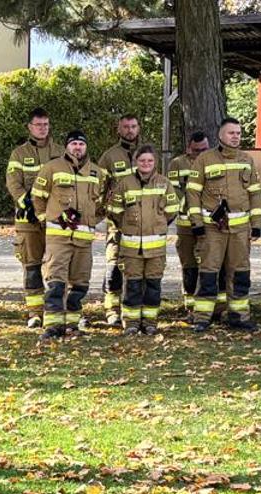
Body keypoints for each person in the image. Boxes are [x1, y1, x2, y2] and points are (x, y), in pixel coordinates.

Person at [187, 118, 261, 332]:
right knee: (209, 272)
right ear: (220, 135)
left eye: (239, 133)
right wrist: (196, 223)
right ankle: (202, 317)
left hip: (240, 230)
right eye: (231, 133)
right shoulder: (205, 159)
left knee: (240, 273)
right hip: (213, 229)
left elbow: (255, 193)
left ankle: (239, 316)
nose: (236, 136)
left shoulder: (247, 160)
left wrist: (256, 223)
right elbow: (192, 192)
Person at [31, 130, 108, 339]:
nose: (77, 148)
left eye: (81, 144)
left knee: (80, 283)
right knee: (56, 282)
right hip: (59, 237)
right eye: (73, 144)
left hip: (84, 240)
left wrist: (93, 220)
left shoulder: (96, 173)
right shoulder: (52, 168)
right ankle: (53, 326)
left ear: (86, 147)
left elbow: (103, 203)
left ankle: (73, 325)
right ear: (67, 146)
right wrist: (45, 219)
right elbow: (37, 197)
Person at [106, 145, 181, 334]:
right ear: (135, 162)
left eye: (149, 160)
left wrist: (159, 224)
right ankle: (131, 323)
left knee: (153, 286)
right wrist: (127, 225)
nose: (146, 164)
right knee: (132, 285)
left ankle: (150, 322)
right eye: (142, 160)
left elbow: (173, 208)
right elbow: (114, 210)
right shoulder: (124, 183)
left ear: (155, 162)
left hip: (155, 248)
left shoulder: (164, 183)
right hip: (131, 247)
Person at [6, 109, 61, 327]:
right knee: (31, 266)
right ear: (30, 127)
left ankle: (56, 309)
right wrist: (25, 203)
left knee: (57, 265)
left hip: (54, 218)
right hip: (27, 220)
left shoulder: (60, 152)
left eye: (46, 124)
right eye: (38, 125)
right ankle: (35, 312)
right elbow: (13, 183)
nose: (42, 128)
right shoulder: (18, 154)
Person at [97, 113, 144, 325]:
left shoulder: (147, 153)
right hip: (117, 222)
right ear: (119, 129)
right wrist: (107, 212)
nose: (130, 131)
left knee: (140, 265)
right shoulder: (109, 156)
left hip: (143, 223)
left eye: (133, 126)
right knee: (113, 265)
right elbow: (99, 189)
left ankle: (135, 307)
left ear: (139, 128)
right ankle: (112, 309)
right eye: (125, 127)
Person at [168, 132, 210, 315]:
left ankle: (209, 304)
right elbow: (173, 192)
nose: (200, 154)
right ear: (188, 148)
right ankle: (190, 303)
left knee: (209, 262)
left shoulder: (213, 161)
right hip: (186, 223)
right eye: (196, 150)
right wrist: (189, 208)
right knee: (189, 263)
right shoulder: (177, 164)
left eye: (204, 150)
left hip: (208, 221)